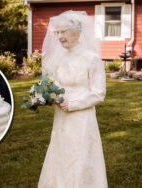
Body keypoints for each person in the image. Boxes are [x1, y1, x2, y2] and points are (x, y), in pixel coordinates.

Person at [38, 11, 107, 187]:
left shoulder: (91, 58)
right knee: (61, 152)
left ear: (77, 32)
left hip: (82, 117)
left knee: (80, 155)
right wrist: (52, 94)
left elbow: (99, 93)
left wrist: (73, 104)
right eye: (57, 32)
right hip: (61, 116)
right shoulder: (58, 58)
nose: (60, 37)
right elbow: (53, 81)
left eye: (64, 31)